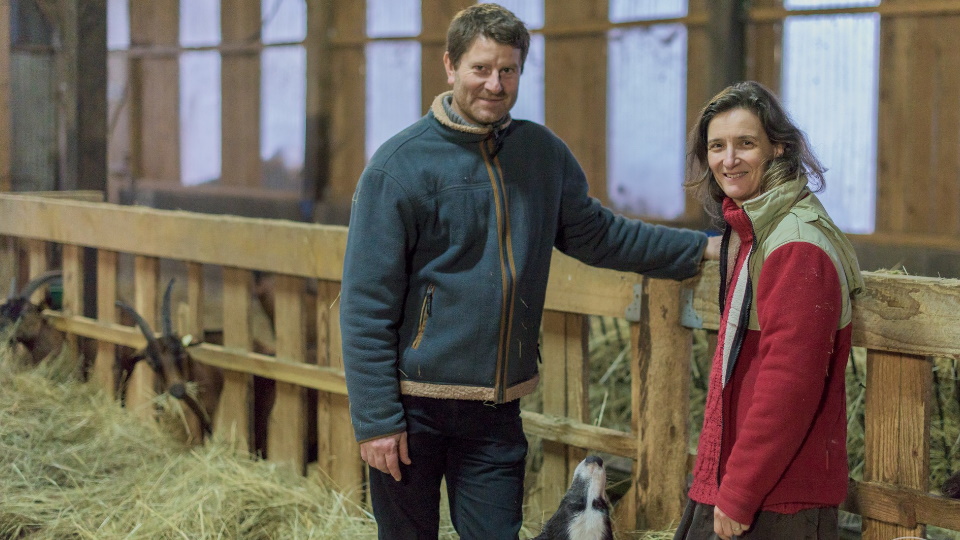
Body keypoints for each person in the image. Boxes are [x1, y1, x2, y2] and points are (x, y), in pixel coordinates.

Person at [339, 4, 721, 539]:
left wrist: (698, 249)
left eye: (509, 70)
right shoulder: (398, 167)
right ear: (449, 66)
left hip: (495, 413)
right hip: (413, 407)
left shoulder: (541, 155)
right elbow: (365, 305)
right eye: (481, 69)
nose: (495, 85)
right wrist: (378, 420)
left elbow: (598, 233)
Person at [675, 81, 864, 540]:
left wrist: (739, 490)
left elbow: (789, 383)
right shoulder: (755, 228)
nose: (728, 159)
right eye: (716, 146)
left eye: (745, 144)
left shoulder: (797, 245)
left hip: (777, 497)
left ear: (778, 148)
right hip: (745, 476)